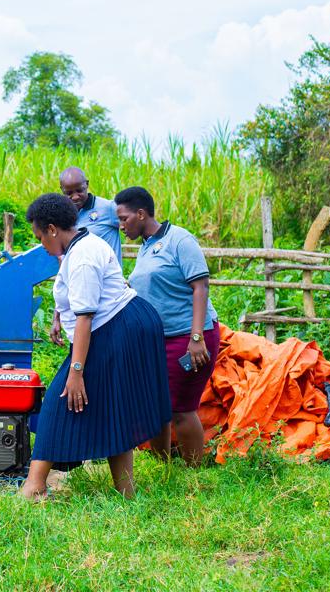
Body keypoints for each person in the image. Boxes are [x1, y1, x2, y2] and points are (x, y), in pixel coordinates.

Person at [20, 194, 171, 499]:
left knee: (58, 401)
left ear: (52, 229)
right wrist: (59, 319)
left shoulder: (83, 257)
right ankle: (126, 494)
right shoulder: (81, 245)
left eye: (40, 238)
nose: (43, 247)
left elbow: (86, 317)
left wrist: (77, 371)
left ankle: (34, 488)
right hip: (121, 325)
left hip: (118, 329)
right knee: (115, 408)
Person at [114, 185, 220, 466]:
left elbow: (200, 286)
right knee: (157, 406)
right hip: (159, 340)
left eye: (124, 218)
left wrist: (196, 337)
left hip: (188, 337)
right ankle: (164, 468)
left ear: (140, 213)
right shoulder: (147, 247)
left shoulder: (179, 239)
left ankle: (195, 470)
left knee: (181, 408)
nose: (121, 225)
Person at [51, 166, 124, 345]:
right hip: (80, 292)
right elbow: (64, 268)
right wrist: (57, 316)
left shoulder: (107, 208)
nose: (75, 196)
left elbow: (135, 223)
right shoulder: (64, 218)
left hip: (108, 296)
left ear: (87, 185)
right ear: (61, 191)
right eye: (69, 193)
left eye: (80, 190)